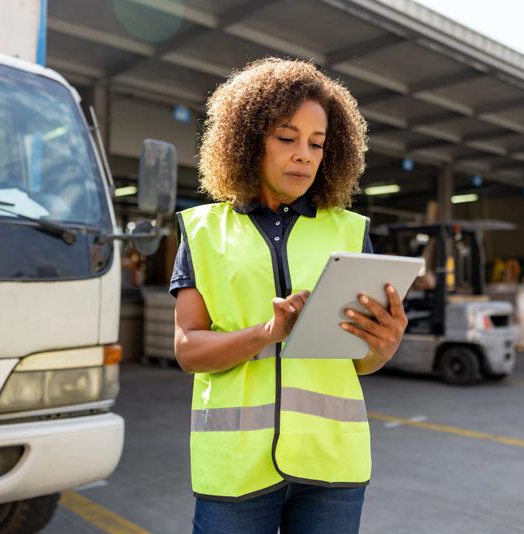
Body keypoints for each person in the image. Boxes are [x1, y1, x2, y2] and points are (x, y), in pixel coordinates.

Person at [170, 57, 407, 534]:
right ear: (248, 140)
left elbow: (359, 362)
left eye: (317, 144)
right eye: (287, 138)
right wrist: (268, 332)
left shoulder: (350, 231)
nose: (304, 154)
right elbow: (188, 350)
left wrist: (385, 344)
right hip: (235, 469)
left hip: (332, 464)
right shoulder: (202, 231)